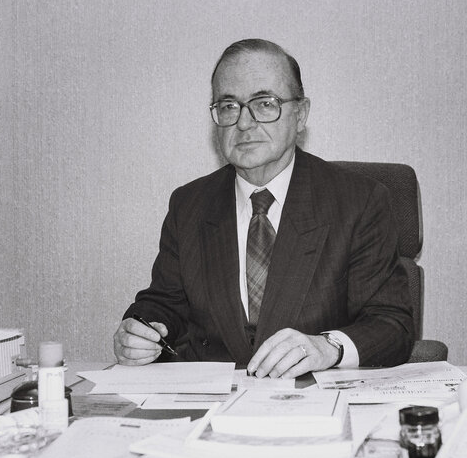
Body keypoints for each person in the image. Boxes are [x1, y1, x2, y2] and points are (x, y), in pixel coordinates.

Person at [113, 38, 414, 378]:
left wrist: (328, 346)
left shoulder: (359, 200)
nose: (243, 123)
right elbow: (165, 304)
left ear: (300, 115)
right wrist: (140, 330)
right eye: (228, 106)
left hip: (313, 405)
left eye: (264, 103)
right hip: (211, 407)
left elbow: (392, 325)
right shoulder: (189, 205)